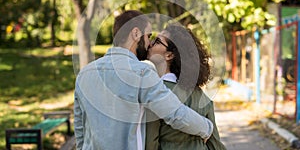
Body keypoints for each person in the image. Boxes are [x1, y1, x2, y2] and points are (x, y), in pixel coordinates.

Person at [74, 10, 214, 150]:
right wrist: (206, 128)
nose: (149, 44)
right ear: (136, 34)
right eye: (148, 36)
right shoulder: (142, 73)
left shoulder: (84, 74)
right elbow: (175, 114)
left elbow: (80, 130)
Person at [146, 24, 226, 150]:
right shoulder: (202, 97)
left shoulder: (155, 93)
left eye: (157, 41)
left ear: (169, 55)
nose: (150, 43)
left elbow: (150, 143)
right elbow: (215, 145)